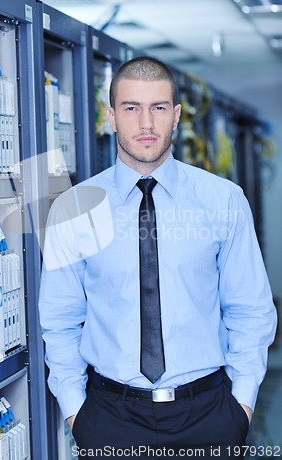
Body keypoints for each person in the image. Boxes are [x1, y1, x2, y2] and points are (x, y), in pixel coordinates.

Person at [39, 56, 277, 458]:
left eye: (159, 108)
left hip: (210, 415)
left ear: (177, 116)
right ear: (111, 116)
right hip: (109, 417)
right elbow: (60, 321)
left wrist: (242, 406)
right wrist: (77, 414)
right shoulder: (73, 208)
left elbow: (250, 309)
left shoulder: (223, 200)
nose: (146, 123)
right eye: (131, 108)